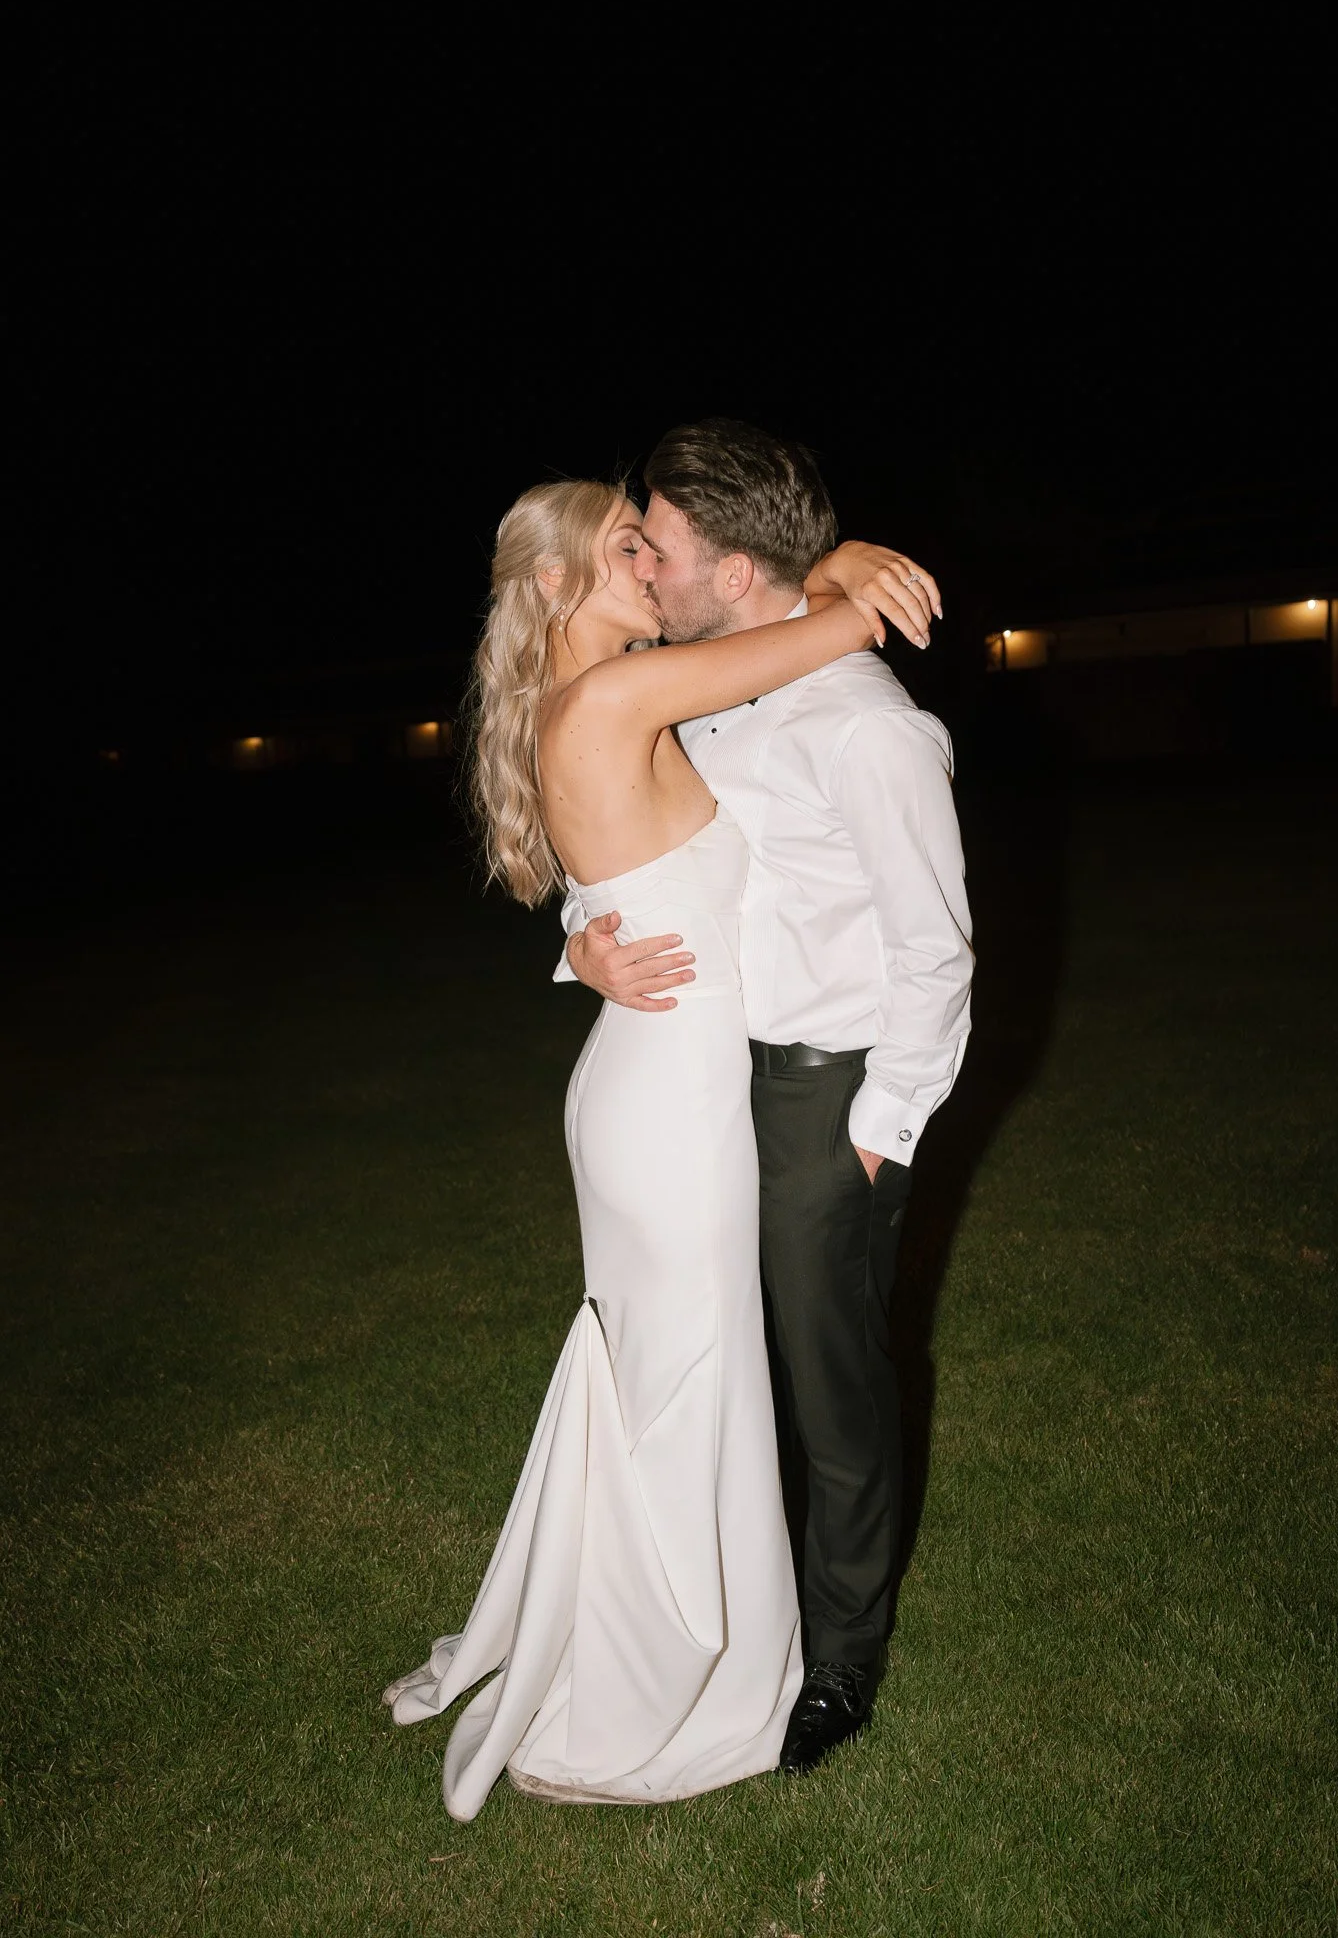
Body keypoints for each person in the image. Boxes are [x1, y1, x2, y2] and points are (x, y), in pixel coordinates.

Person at [383, 473, 933, 1819]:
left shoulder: (609, 700)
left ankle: (673, 1639)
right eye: (627, 545)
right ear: (561, 582)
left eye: (651, 540)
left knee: (679, 1383)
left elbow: (619, 877)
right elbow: (827, 631)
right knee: (687, 1390)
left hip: (665, 1091)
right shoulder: (619, 698)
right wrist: (838, 563)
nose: (654, 563)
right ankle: (653, 1685)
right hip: (668, 1110)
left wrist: (582, 942)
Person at [561, 420, 973, 1776]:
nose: (642, 562)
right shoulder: (711, 677)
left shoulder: (872, 733)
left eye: (659, 547)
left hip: (824, 1095)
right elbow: (613, 817)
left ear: (729, 572)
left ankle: (841, 1664)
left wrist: (878, 1138)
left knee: (830, 1383)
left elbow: (935, 953)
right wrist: (579, 934)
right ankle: (733, 1614)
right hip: (703, 1084)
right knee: (731, 1367)